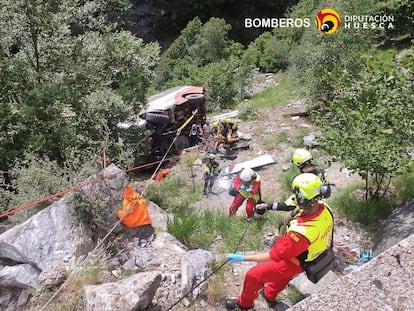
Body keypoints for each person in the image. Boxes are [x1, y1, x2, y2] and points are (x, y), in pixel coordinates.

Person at [225, 173, 334, 310]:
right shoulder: (324, 208)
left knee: (253, 275)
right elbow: (288, 205)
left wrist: (243, 258)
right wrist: (267, 206)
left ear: (303, 201)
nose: (295, 199)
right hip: (307, 257)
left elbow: (272, 256)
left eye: (297, 196)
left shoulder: (301, 233)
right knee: (283, 278)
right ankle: (269, 295)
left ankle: (244, 304)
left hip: (294, 260)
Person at [256, 148, 331, 234]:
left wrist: (267, 206)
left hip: (309, 210)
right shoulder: (322, 174)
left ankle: (280, 240)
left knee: (283, 223)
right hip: (321, 207)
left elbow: (288, 205)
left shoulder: (303, 182)